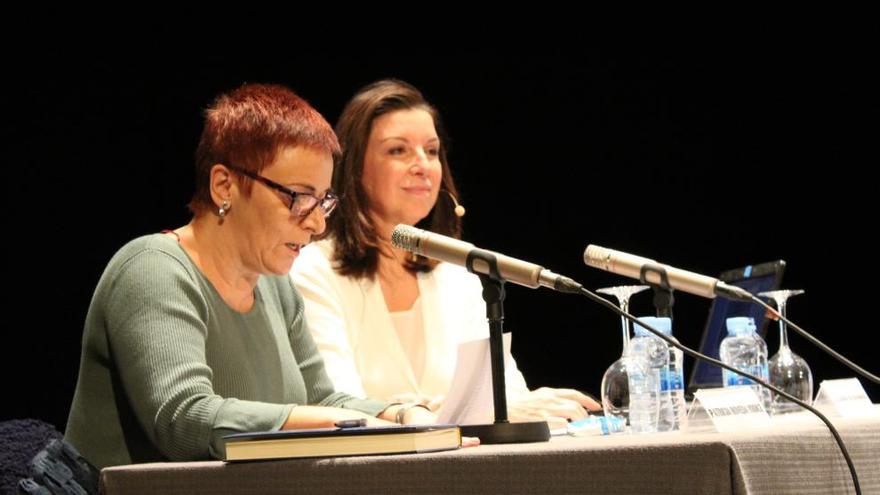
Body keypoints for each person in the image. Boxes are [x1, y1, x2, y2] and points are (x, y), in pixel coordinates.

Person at [65, 83, 435, 469]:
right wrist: (332, 424)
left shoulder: (276, 286)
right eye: (298, 197)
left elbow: (322, 400)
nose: (317, 223)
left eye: (323, 200)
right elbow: (182, 419)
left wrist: (402, 414)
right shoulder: (153, 269)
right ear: (224, 185)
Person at [291, 79, 600, 428]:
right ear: (355, 167)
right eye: (398, 151)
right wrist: (443, 412)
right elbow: (338, 404)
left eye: (432, 150)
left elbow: (506, 392)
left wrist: (530, 405)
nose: (422, 165)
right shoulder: (312, 271)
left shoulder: (457, 273)